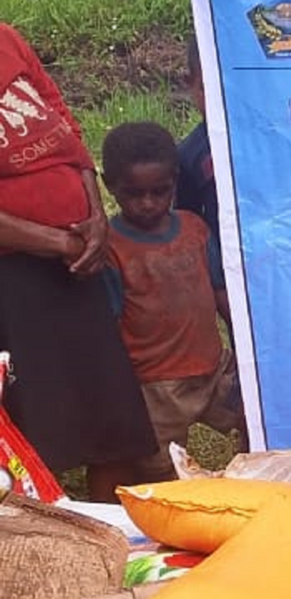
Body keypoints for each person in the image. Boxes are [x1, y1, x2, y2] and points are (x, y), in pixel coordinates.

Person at [0, 23, 157, 496]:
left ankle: (108, 543)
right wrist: (58, 242)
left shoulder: (6, 38)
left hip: (76, 262)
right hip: (14, 275)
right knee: (27, 440)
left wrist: (93, 213)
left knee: (111, 423)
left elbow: (62, 119)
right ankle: (39, 554)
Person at [100, 121, 243, 483]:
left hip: (213, 368)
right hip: (156, 386)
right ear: (110, 186)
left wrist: (240, 343)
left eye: (160, 191)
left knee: (253, 417)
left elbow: (219, 288)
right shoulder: (110, 247)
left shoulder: (194, 228)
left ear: (175, 181)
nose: (148, 203)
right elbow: (110, 323)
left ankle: (255, 488)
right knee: (161, 470)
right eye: (135, 194)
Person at [174, 36, 219, 246]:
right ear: (188, 83)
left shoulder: (269, 140)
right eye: (208, 87)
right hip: (222, 267)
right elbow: (186, 221)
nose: (220, 97)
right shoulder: (188, 154)